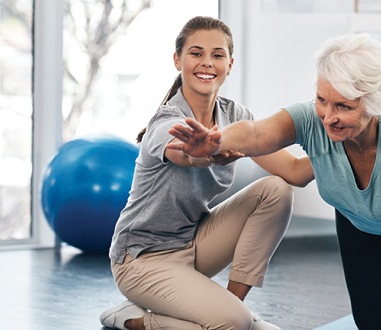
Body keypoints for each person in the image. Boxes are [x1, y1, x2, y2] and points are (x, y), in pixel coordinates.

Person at [167, 33, 381, 329]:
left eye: (344, 107)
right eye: (322, 100)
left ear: (375, 104)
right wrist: (219, 141)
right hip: (361, 220)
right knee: (375, 322)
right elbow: (258, 133)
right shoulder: (312, 120)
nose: (328, 117)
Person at [99, 16, 314, 330]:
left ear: (230, 63)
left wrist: (342, 145)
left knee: (276, 190)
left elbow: (295, 171)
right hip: (141, 259)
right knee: (238, 325)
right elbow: (182, 153)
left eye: (217, 55)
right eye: (196, 53)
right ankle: (135, 320)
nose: (207, 63)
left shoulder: (236, 117)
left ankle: (233, 309)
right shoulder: (168, 120)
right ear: (178, 60)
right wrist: (199, 153)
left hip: (193, 245)